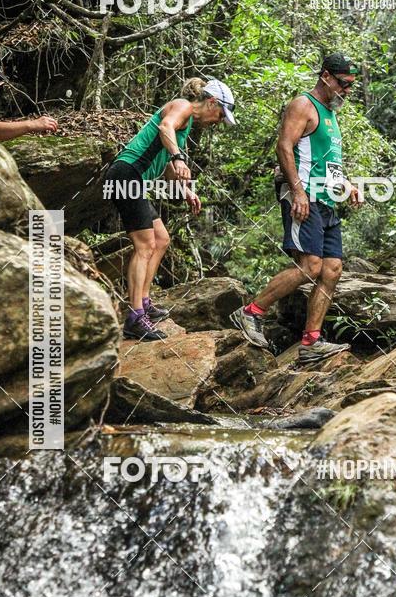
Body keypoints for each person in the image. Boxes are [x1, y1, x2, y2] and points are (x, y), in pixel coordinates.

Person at [231, 53, 363, 364]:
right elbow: (284, 146)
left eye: (351, 86)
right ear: (327, 76)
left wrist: (348, 186)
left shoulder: (330, 116)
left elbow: (329, 165)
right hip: (304, 198)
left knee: (332, 270)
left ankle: (311, 342)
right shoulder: (302, 105)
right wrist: (298, 191)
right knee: (311, 266)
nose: (346, 90)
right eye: (343, 84)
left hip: (326, 199)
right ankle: (251, 312)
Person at [105, 77, 236, 342]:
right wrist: (179, 157)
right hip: (126, 175)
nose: (219, 122)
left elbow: (163, 162)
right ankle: (134, 317)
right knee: (144, 246)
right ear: (211, 102)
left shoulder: (184, 127)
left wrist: (185, 190)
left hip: (134, 180)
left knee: (161, 239)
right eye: (221, 115)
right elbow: (165, 126)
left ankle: (144, 301)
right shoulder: (183, 106)